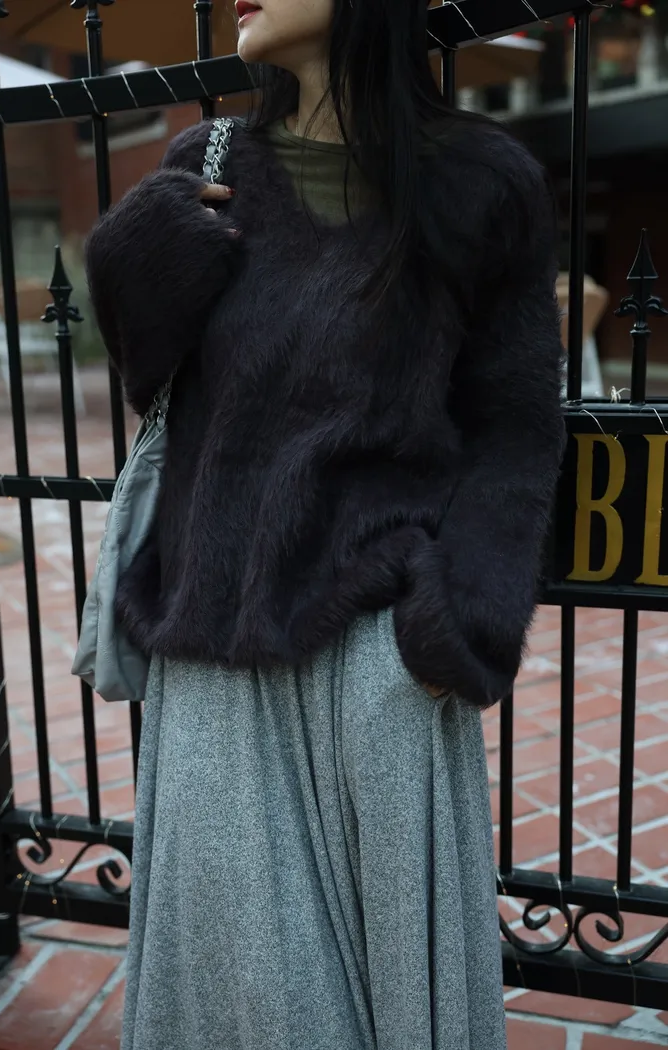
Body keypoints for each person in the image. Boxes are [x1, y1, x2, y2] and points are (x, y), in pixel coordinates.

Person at [85, 1, 566, 1047]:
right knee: (233, 993)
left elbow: (515, 426)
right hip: (210, 652)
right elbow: (151, 381)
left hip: (375, 654)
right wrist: (141, 250)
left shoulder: (477, 180)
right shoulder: (205, 163)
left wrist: (458, 621)